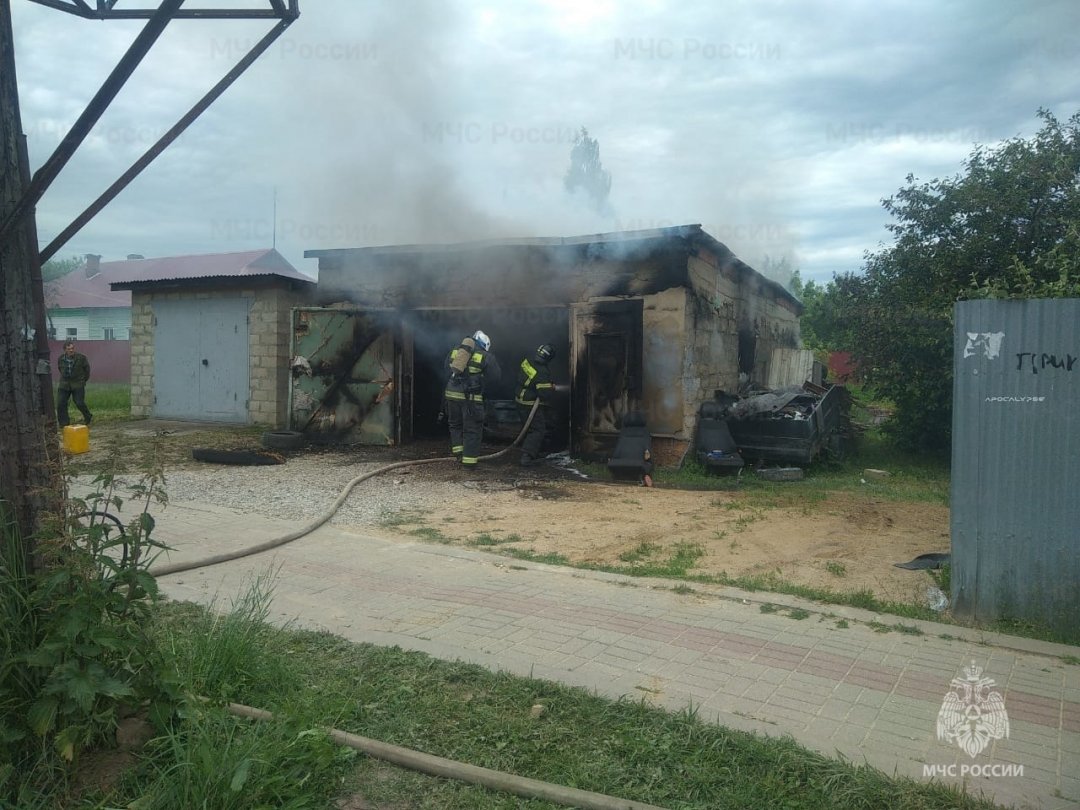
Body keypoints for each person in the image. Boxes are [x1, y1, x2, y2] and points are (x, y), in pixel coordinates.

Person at [444, 330, 500, 469]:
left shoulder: (456, 352)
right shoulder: (486, 356)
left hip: (451, 394)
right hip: (470, 398)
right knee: (472, 429)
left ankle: (458, 454)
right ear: (484, 344)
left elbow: (446, 369)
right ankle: (469, 463)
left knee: (455, 425)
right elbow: (495, 378)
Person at [516, 343, 558, 466]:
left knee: (529, 428)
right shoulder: (542, 371)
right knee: (538, 430)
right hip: (529, 403)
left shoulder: (528, 360)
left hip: (519, 399)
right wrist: (551, 387)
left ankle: (532, 451)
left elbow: (532, 379)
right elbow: (544, 394)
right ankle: (527, 456)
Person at [57, 339, 92, 427]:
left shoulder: (81, 358)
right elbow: (60, 369)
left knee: (79, 402)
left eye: (72, 348)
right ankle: (64, 423)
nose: (71, 350)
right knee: (61, 403)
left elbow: (87, 370)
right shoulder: (61, 358)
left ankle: (88, 416)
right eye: (69, 349)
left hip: (78, 384)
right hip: (64, 384)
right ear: (65, 350)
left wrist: (83, 380)